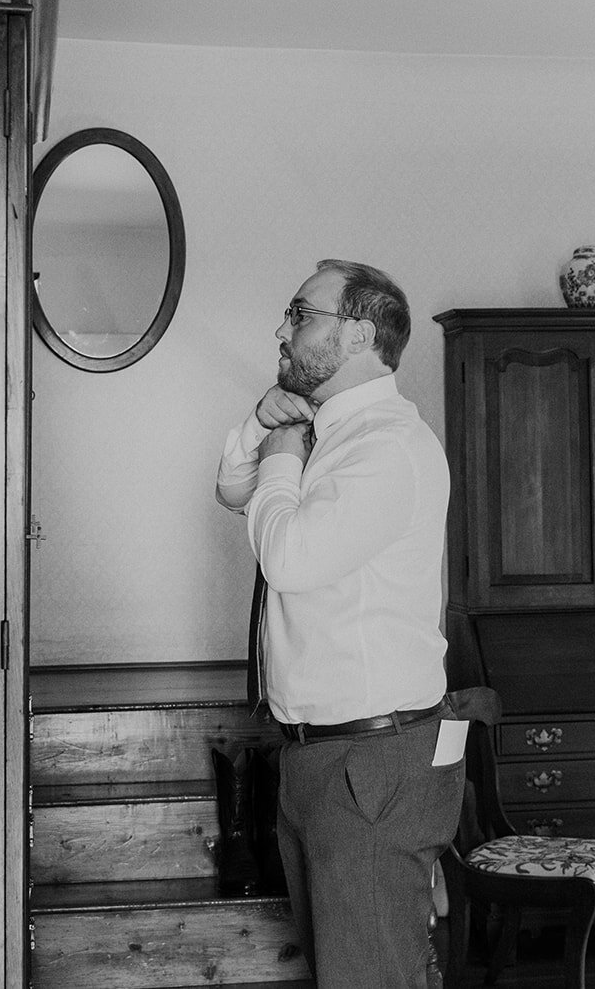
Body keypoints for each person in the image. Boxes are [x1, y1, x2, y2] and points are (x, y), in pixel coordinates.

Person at [215, 259, 463, 988]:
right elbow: (235, 487)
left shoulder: (386, 445)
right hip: (324, 759)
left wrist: (282, 455)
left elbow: (286, 554)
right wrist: (262, 426)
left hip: (370, 765)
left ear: (357, 333)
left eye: (299, 314)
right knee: (350, 972)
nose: (281, 330)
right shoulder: (329, 429)